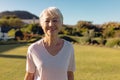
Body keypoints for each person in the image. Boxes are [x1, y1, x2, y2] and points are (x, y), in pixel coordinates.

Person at [24, 7, 75, 80]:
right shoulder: (33, 49)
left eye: (55, 20)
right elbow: (29, 76)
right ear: (41, 24)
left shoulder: (69, 47)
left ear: (62, 23)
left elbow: (69, 74)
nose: (51, 24)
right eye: (47, 21)